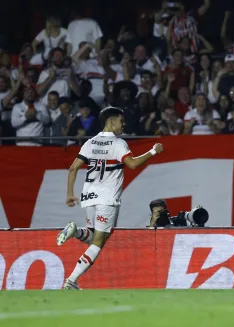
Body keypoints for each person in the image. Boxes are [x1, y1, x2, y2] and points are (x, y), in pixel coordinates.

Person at [56, 107, 164, 290]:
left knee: (92, 236)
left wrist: (69, 194)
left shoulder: (90, 143)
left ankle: (75, 232)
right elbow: (132, 164)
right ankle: (71, 281)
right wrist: (153, 151)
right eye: (121, 121)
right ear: (111, 122)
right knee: (100, 241)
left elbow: (73, 168)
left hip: (89, 196)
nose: (123, 125)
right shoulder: (118, 143)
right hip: (107, 198)